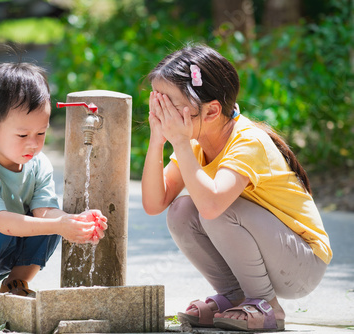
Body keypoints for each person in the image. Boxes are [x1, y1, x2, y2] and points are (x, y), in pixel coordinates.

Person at [141, 44, 331, 332]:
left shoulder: (247, 142)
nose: (163, 111)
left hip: (301, 265)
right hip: (274, 257)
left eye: (171, 104)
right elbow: (156, 203)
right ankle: (234, 297)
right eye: (158, 102)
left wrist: (178, 141)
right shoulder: (194, 139)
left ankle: (267, 306)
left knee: (215, 209)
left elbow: (212, 206)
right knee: (180, 209)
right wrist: (158, 139)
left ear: (212, 110)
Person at [0, 62, 107, 312]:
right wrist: (58, 224)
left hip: (10, 236)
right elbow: (2, 223)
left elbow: (45, 212)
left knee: (50, 227)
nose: (33, 144)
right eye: (22, 135)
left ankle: (17, 281)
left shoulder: (38, 164)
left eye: (41, 133)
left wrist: (73, 221)